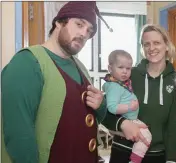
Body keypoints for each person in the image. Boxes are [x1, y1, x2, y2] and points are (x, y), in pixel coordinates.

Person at [1, 1, 111, 163]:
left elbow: (88, 119)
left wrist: (100, 105)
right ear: (59, 22)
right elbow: (19, 134)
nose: (84, 34)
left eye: (89, 30)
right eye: (79, 24)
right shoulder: (27, 63)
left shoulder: (80, 66)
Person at [92, 24, 176, 163]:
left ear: (167, 46)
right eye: (147, 44)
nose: (151, 48)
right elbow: (103, 110)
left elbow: (174, 125)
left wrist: (171, 159)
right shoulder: (127, 75)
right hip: (122, 151)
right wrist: (122, 124)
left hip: (158, 156)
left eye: (157, 43)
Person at [102, 50, 152, 163]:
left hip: (131, 119)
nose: (125, 71)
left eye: (128, 68)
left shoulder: (121, 84)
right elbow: (112, 108)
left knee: (144, 129)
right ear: (110, 68)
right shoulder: (114, 86)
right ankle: (134, 161)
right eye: (120, 67)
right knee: (146, 137)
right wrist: (130, 107)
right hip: (128, 120)